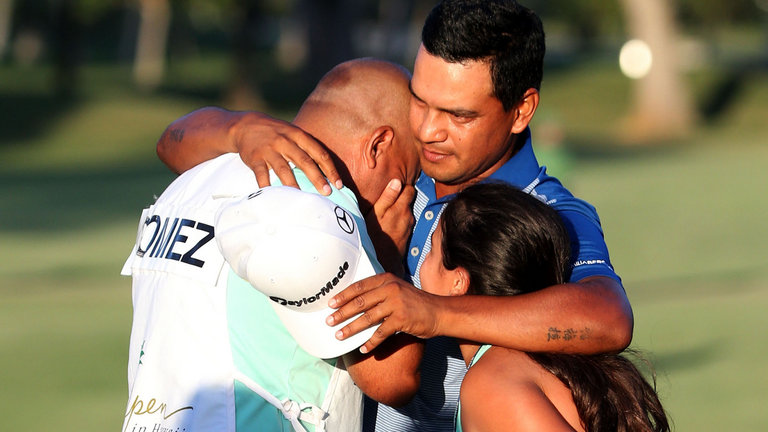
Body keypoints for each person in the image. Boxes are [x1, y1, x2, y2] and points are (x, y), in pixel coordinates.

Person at [155, 1, 634, 430]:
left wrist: (434, 312)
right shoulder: (391, 164)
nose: (428, 131)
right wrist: (239, 129)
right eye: (420, 101)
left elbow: (609, 320)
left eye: (458, 115)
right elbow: (176, 147)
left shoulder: (548, 209)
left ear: (521, 110)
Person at [120, 58, 423, 432]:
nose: (407, 197)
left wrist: (236, 126)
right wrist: (387, 253)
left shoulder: (197, 177)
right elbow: (393, 380)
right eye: (407, 176)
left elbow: (169, 141)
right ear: (378, 146)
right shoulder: (324, 211)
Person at [419, 182, 668, 432]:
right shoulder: (542, 359)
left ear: (458, 282)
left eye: (431, 250)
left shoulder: (493, 381)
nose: (422, 263)